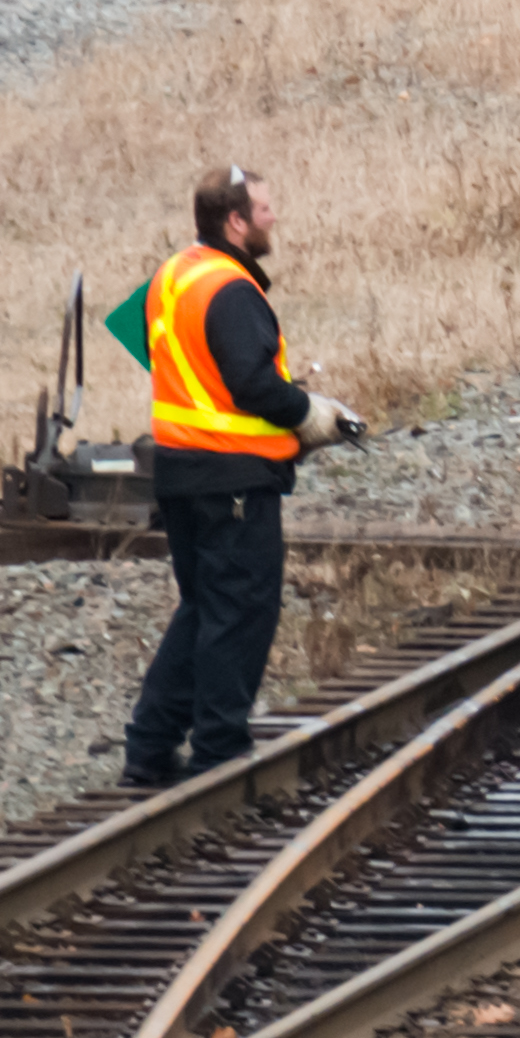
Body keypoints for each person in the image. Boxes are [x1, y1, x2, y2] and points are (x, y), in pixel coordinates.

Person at [125, 164, 365, 787]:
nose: (272, 217)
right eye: (263, 209)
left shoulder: (173, 275)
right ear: (235, 221)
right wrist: (310, 413)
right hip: (231, 480)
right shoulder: (232, 289)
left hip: (180, 470)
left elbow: (159, 350)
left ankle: (149, 749)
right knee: (240, 613)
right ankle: (219, 759)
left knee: (204, 608)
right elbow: (251, 382)